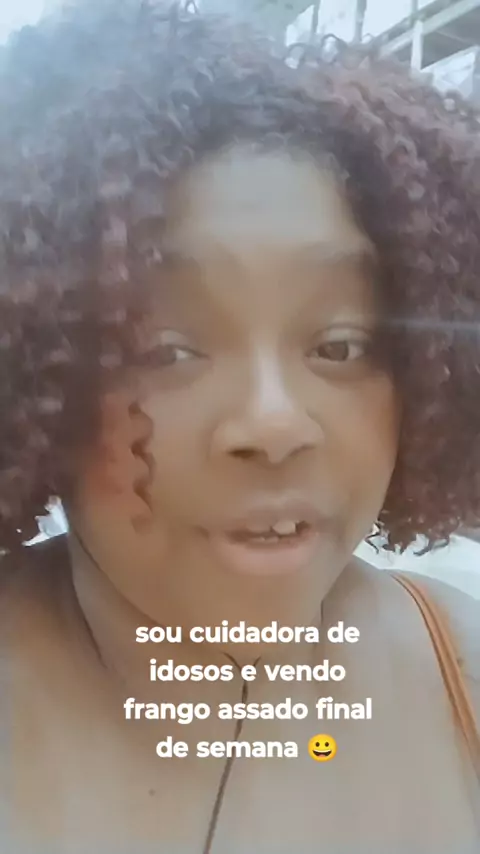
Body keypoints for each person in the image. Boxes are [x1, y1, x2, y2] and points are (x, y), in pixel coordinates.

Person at [0, 1, 479, 852]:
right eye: (163, 349)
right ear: (38, 371)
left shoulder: (463, 672)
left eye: (340, 344)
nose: (273, 423)